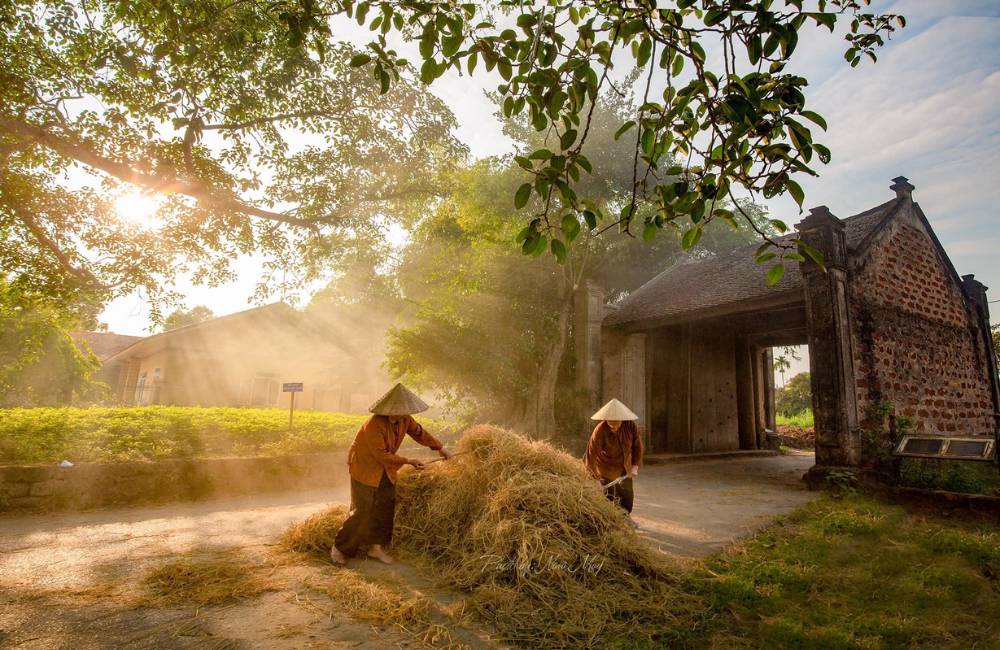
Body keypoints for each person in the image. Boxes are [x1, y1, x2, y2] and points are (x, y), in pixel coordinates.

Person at [329, 383, 451, 565]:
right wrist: (409, 461)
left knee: (385, 508)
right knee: (362, 510)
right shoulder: (373, 425)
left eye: (406, 411)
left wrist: (439, 447)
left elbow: (419, 433)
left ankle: (375, 548)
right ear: (390, 410)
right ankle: (339, 548)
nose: (404, 414)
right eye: (401, 410)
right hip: (365, 469)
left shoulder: (405, 420)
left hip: (387, 469)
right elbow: (381, 455)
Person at [583, 398, 643, 513]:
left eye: (616, 423)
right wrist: (595, 480)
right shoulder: (600, 430)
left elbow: (638, 447)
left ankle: (625, 520)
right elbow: (590, 456)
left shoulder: (630, 426)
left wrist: (635, 466)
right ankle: (612, 522)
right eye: (610, 423)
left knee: (627, 500)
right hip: (605, 469)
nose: (613, 426)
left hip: (625, 468)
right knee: (608, 500)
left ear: (622, 419)